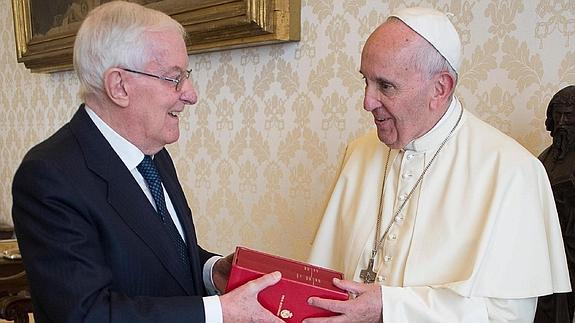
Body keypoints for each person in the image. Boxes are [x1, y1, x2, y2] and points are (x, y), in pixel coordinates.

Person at [11, 2, 283, 323]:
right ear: (120, 86)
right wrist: (219, 312)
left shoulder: (153, 155)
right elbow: (85, 314)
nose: (191, 94)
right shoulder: (49, 176)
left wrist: (211, 271)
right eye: (174, 78)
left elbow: (161, 257)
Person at [305, 7, 571, 323]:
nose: (367, 101)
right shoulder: (359, 153)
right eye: (366, 81)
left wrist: (389, 308)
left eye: (385, 86)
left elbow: (506, 316)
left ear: (440, 88)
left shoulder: (511, 171)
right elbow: (323, 277)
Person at [535, 85, 575, 323]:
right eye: (558, 114)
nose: (561, 122)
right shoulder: (545, 157)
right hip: (547, 246)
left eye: (569, 116)